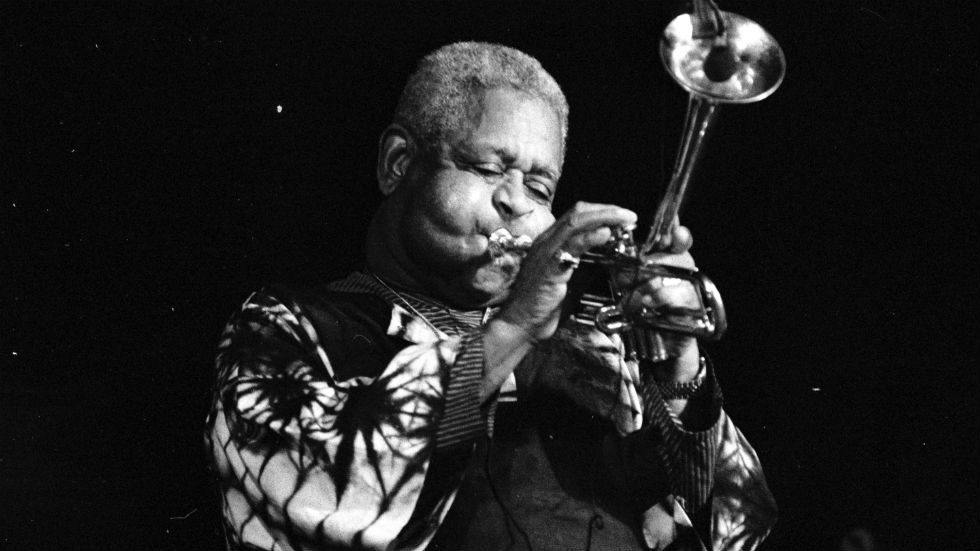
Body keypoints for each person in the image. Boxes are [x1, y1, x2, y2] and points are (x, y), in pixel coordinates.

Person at [205, 42, 776, 551]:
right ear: (398, 163)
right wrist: (517, 325)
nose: (517, 203)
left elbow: (738, 528)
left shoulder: (596, 345)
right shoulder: (281, 325)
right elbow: (329, 490)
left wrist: (677, 370)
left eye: (540, 188)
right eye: (486, 168)